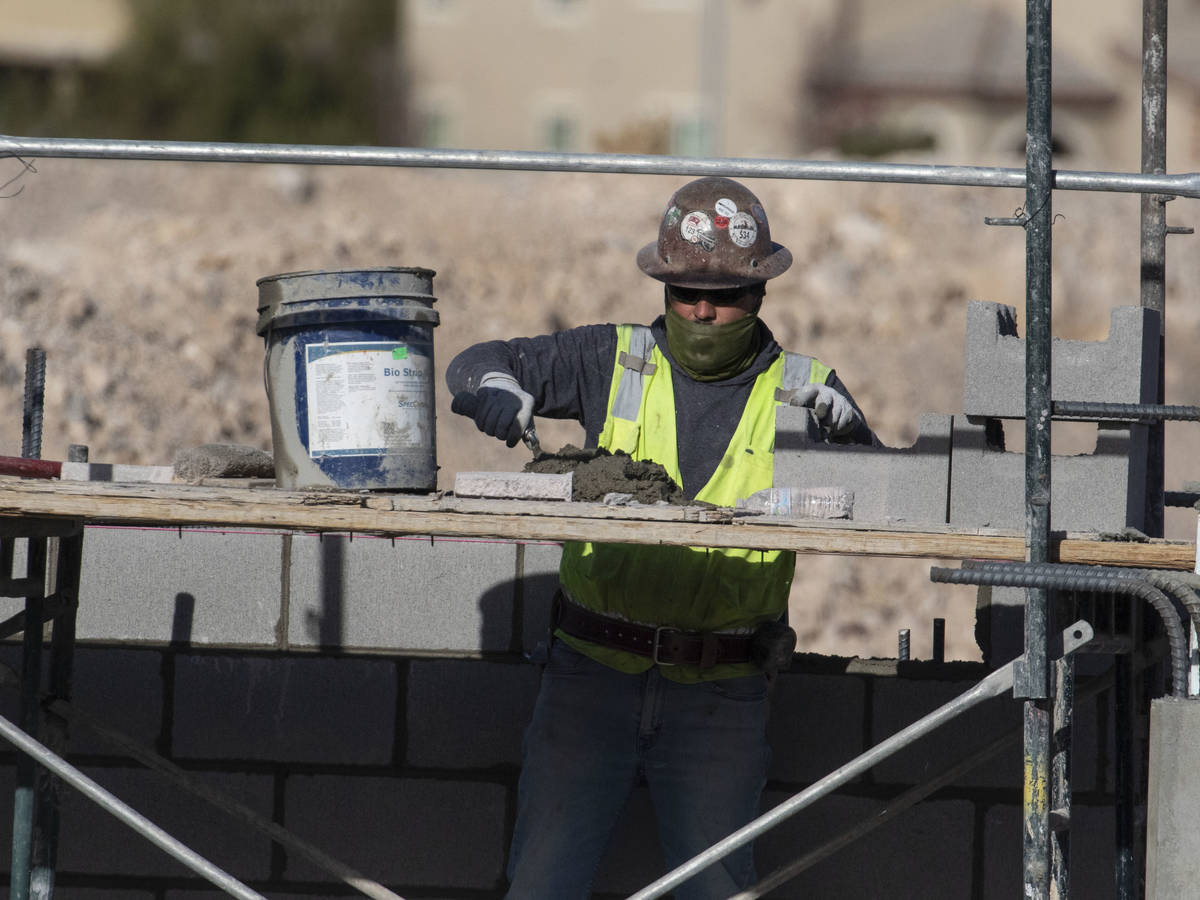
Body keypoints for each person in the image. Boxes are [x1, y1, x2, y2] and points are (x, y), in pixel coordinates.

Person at [445, 176, 879, 899]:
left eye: (726, 295)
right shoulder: (609, 359)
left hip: (722, 694)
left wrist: (854, 438)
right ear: (663, 289)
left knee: (715, 890)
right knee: (542, 886)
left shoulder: (807, 387)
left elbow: (882, 498)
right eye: (685, 292)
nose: (705, 310)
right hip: (590, 678)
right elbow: (477, 360)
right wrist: (496, 386)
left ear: (761, 294)